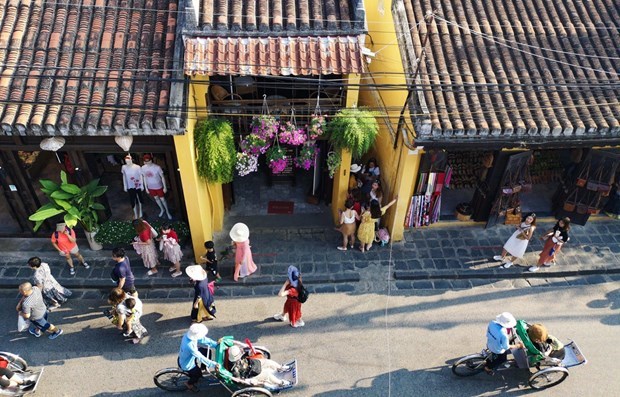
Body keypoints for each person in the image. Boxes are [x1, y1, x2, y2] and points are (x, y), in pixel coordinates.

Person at [178, 324, 220, 392]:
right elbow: (200, 357)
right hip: (187, 364)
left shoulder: (188, 335)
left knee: (207, 351)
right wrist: (214, 364)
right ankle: (189, 384)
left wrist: (215, 344)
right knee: (198, 375)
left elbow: (203, 339)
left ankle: (204, 367)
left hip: (188, 355)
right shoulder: (190, 346)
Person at [227, 345, 292, 388]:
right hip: (250, 374)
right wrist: (249, 381)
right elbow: (239, 381)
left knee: (267, 362)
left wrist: (249, 353)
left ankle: (280, 368)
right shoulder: (235, 369)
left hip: (252, 363)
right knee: (267, 375)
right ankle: (281, 383)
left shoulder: (235, 355)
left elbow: (244, 354)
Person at [141, 154, 172, 219]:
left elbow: (162, 177)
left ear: (151, 160)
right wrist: (146, 187)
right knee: (156, 198)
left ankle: (167, 211)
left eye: (148, 160)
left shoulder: (157, 167)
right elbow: (144, 177)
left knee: (163, 199)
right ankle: (162, 209)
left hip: (159, 186)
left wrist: (165, 187)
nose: (147, 162)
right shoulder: (143, 168)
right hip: (150, 187)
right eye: (146, 161)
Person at [121, 154, 145, 219]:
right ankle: (135, 213)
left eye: (128, 161)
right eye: (126, 161)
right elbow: (124, 176)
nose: (127, 162)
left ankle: (140, 211)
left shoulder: (137, 167)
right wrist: (125, 185)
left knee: (139, 198)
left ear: (131, 160)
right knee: (132, 199)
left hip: (137, 185)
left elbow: (141, 176)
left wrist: (142, 185)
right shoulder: (124, 167)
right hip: (130, 185)